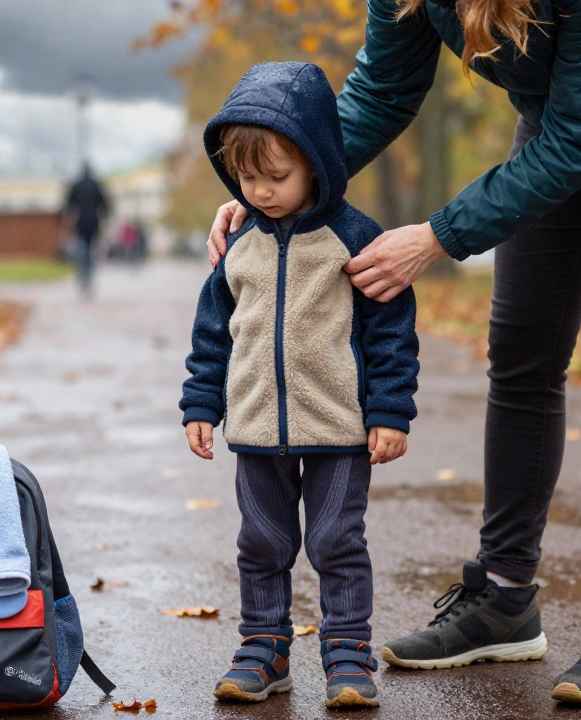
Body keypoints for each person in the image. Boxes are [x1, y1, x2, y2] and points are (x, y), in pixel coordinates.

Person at [207, 0, 581, 706]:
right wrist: (282, 179)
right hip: (563, 112)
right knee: (521, 347)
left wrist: (438, 235)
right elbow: (382, 91)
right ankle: (503, 596)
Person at [180, 62, 419, 709]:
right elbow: (213, 334)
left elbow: (390, 328)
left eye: (276, 176)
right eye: (247, 177)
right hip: (257, 429)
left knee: (336, 542)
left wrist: (390, 411)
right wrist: (201, 402)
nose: (260, 191)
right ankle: (264, 648)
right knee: (262, 542)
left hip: (340, 428)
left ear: (316, 159)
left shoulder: (354, 238)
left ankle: (347, 655)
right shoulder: (239, 247)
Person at [63, 163, 108, 295]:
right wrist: (105, 217)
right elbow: (105, 204)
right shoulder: (96, 185)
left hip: (80, 222)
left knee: (81, 249)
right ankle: (88, 276)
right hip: (94, 222)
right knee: (90, 250)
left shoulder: (77, 185)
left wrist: (68, 219)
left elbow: (68, 204)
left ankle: (83, 274)